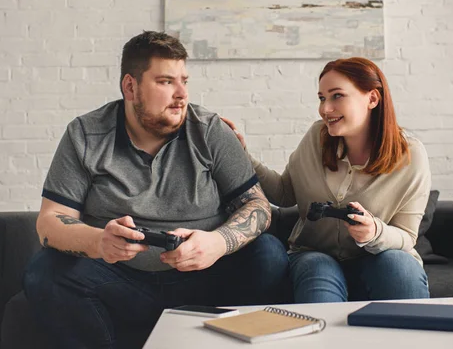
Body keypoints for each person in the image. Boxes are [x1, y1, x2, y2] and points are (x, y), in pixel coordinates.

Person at [23, 31, 289, 349]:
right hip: (120, 281)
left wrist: (218, 242)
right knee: (44, 271)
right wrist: (99, 242)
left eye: (184, 81)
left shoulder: (210, 130)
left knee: (269, 254)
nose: (181, 95)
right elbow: (50, 222)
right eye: (165, 82)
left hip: (205, 279)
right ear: (130, 87)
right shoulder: (86, 134)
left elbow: (257, 206)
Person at [223, 57, 431, 303]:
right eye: (322, 98)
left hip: (378, 257)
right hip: (315, 253)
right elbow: (283, 193)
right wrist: (242, 155)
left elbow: (407, 236)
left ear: (372, 99)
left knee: (398, 263)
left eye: (337, 96)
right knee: (317, 266)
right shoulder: (316, 137)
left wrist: (375, 232)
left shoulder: (410, 155)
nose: (325, 109)